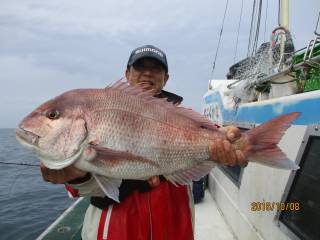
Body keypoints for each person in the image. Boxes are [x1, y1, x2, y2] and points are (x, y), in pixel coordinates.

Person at [40, 45, 247, 240]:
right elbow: (78, 189)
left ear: (166, 78)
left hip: (174, 224)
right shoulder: (101, 108)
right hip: (117, 228)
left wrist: (231, 140)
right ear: (127, 73)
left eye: (156, 69)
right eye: (140, 67)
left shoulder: (186, 117)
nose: (148, 73)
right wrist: (76, 178)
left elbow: (216, 134)